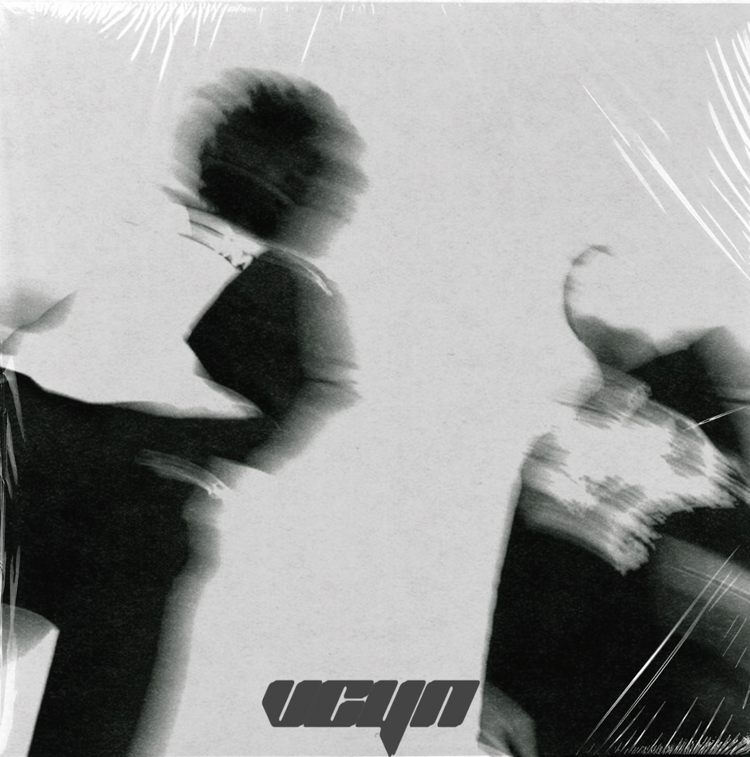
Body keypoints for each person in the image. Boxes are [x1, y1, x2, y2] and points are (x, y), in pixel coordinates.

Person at [1, 69, 366, 757]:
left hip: (32, 456)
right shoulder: (284, 288)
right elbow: (280, 427)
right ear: (298, 193)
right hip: (133, 501)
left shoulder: (126, 228)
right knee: (95, 728)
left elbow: (20, 312)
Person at [480, 245, 750, 756]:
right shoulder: (560, 447)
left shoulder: (707, 370)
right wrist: (496, 688)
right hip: (631, 692)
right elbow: (535, 581)